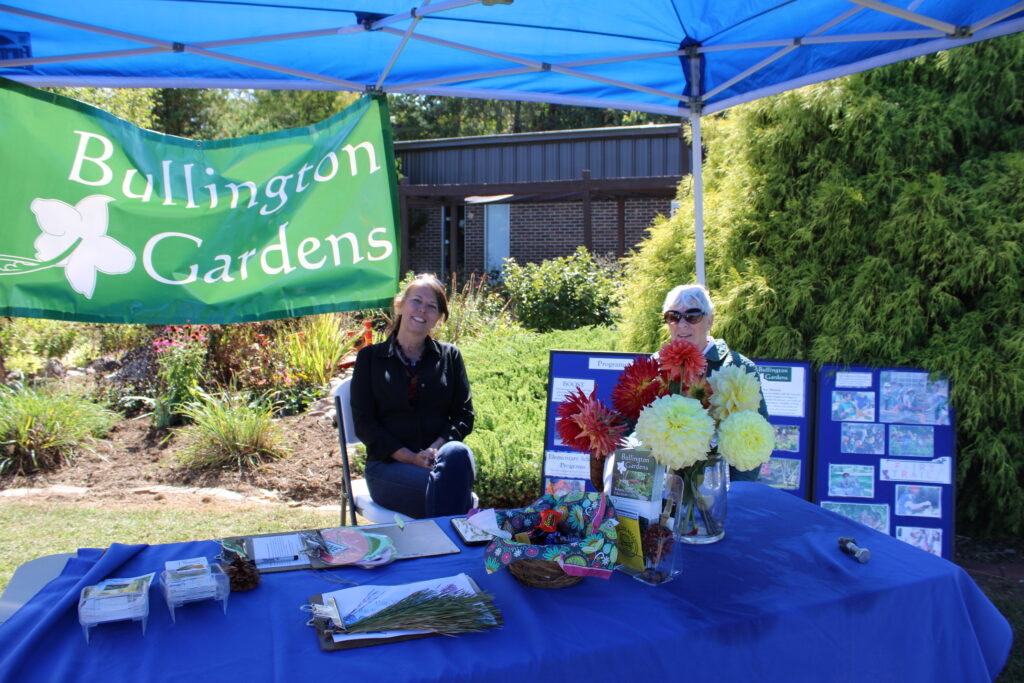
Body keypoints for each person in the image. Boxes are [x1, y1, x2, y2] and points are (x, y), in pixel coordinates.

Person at [350, 274, 476, 519]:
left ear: (439, 317)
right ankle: (460, 540)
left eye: (432, 306)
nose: (422, 310)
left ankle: (443, 549)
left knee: (458, 454)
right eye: (416, 301)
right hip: (388, 468)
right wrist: (410, 458)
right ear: (400, 305)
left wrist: (434, 450)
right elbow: (365, 424)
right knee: (454, 492)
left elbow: (464, 416)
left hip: (439, 462)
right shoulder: (370, 359)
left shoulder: (450, 356)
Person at [661, 283, 769, 482]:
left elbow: (751, 438)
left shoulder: (737, 367)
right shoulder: (656, 365)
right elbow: (633, 423)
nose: (682, 324)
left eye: (692, 316)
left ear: (709, 320)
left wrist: (736, 496)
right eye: (673, 316)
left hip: (714, 490)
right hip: (662, 488)